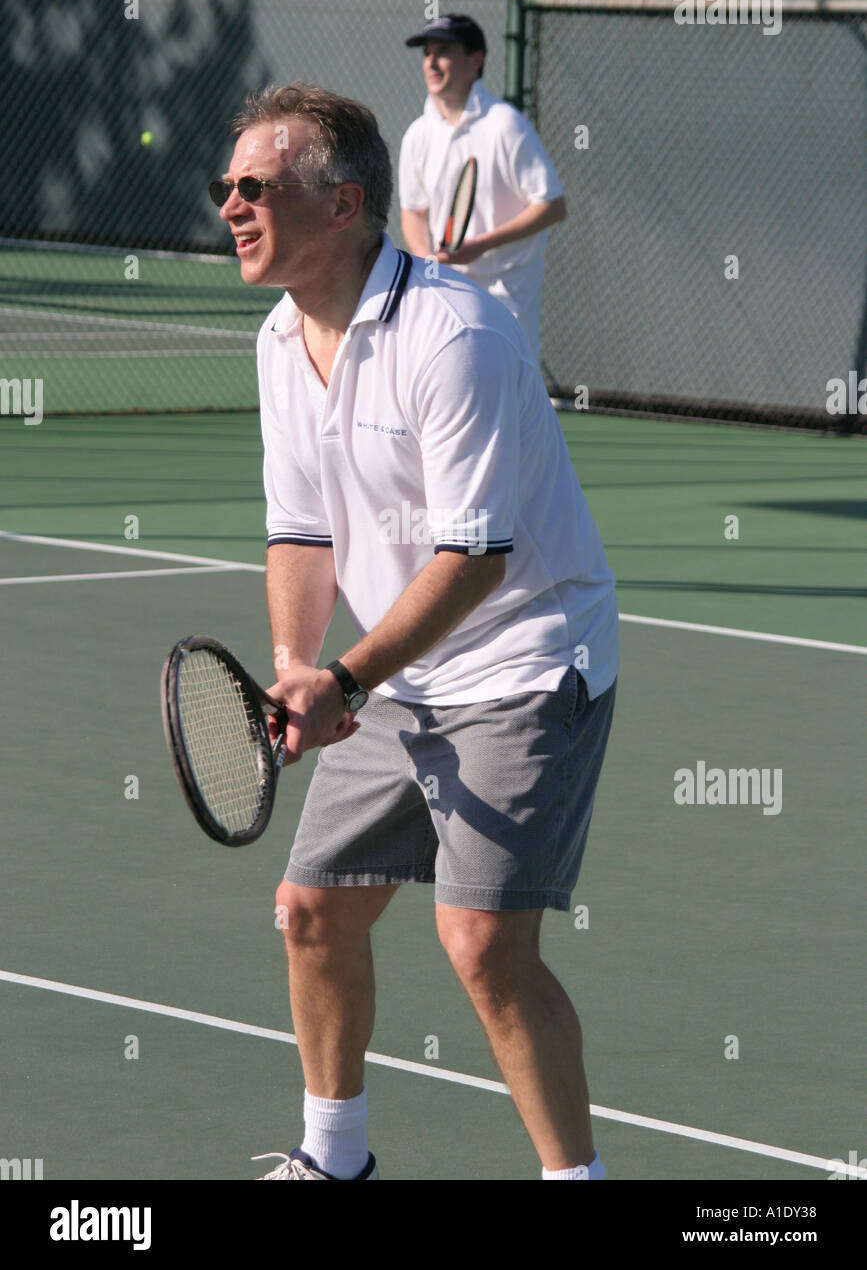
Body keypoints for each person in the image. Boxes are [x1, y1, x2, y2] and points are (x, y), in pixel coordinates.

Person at [212, 81, 618, 1181]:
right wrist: (300, 664)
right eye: (227, 187)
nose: (232, 206)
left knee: (484, 944)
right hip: (398, 676)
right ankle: (334, 1156)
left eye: (257, 187)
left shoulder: (457, 334)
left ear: (343, 204)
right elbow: (300, 532)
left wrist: (344, 674)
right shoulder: (276, 342)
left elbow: (475, 557)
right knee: (309, 911)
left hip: (527, 656)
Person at [399, 13, 566, 365]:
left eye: (443, 51)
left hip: (506, 289)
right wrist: (427, 257)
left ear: (475, 61)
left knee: (512, 393)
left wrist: (479, 245)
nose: (431, 61)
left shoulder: (506, 125)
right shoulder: (418, 134)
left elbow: (552, 205)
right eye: (427, 53)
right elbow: (413, 211)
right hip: (445, 286)